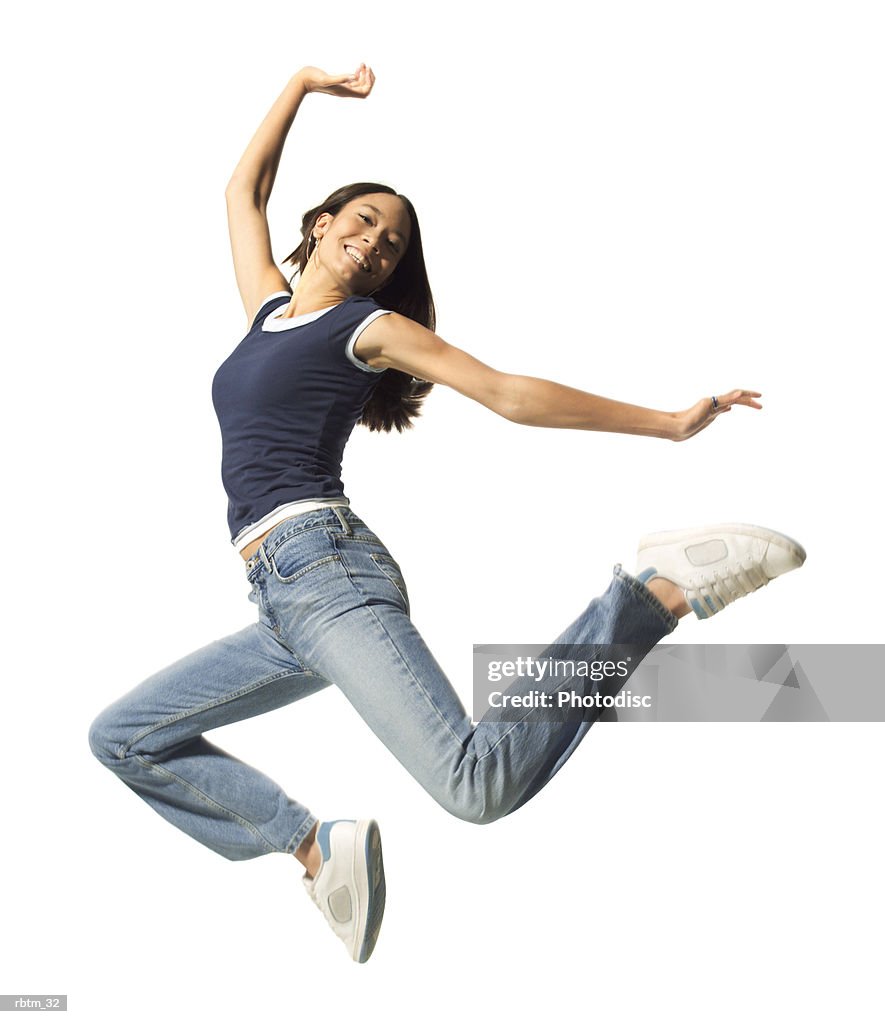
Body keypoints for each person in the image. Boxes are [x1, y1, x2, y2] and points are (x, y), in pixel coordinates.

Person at [88, 64, 806, 964]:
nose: (377, 244)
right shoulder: (268, 310)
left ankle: (650, 595)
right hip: (279, 604)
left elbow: (505, 391)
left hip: (326, 572)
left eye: (392, 244)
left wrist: (666, 424)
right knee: (123, 736)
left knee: (475, 786)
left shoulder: (364, 331)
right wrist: (302, 85)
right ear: (320, 226)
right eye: (363, 222)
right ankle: (313, 848)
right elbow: (243, 188)